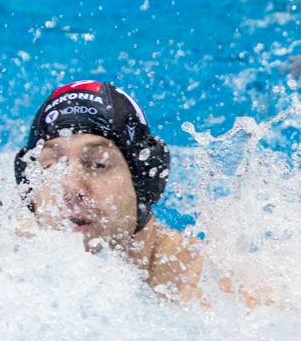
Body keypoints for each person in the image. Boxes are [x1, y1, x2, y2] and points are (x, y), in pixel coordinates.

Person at [14, 80, 210, 302]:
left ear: (144, 182)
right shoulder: (1, 268)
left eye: (98, 164)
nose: (70, 188)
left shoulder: (215, 286)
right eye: (50, 167)